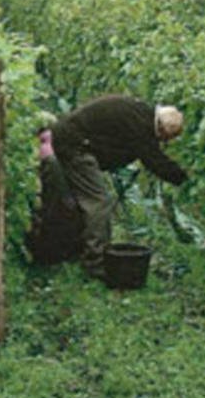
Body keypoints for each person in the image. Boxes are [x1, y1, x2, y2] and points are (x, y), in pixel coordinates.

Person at [26, 95, 187, 279]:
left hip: (70, 139)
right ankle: (95, 262)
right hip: (76, 146)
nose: (161, 143)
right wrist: (184, 179)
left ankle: (75, 246)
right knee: (98, 202)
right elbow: (154, 159)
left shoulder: (140, 111)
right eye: (163, 138)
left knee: (81, 198)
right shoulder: (141, 125)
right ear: (159, 127)